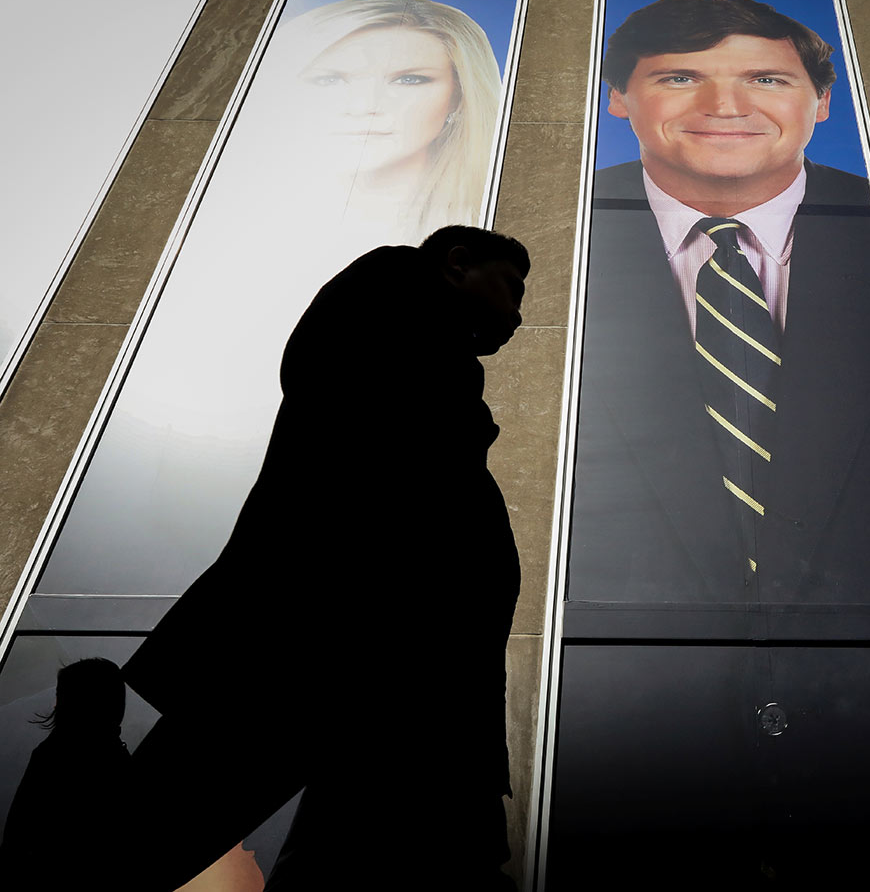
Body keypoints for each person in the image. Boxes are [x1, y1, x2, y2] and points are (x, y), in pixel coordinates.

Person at [119, 225, 528, 890]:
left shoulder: (420, 368)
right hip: (328, 653)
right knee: (146, 833)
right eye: (511, 289)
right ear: (457, 264)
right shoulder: (386, 337)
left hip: (389, 680)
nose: (516, 315)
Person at [568, 0, 870, 604]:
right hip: (610, 657)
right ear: (618, 98)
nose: (725, 107)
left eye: (765, 79)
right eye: (681, 77)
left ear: (822, 102)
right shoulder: (545, 233)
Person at [257, 0, 502, 239]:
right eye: (329, 79)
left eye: (408, 79)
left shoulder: (477, 225)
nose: (363, 106)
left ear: (459, 96)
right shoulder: (261, 218)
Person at [0, 658, 131, 890]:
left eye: (61, 695)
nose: (55, 704)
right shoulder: (118, 761)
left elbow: (19, 831)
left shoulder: (53, 755)